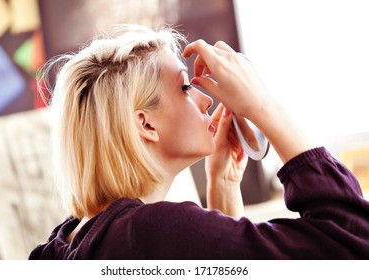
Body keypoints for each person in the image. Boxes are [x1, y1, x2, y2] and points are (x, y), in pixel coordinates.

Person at [29, 24, 369, 259]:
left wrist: (222, 187)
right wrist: (264, 106)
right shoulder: (150, 231)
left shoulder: (62, 245)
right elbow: (353, 242)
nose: (206, 100)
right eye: (185, 87)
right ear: (145, 123)